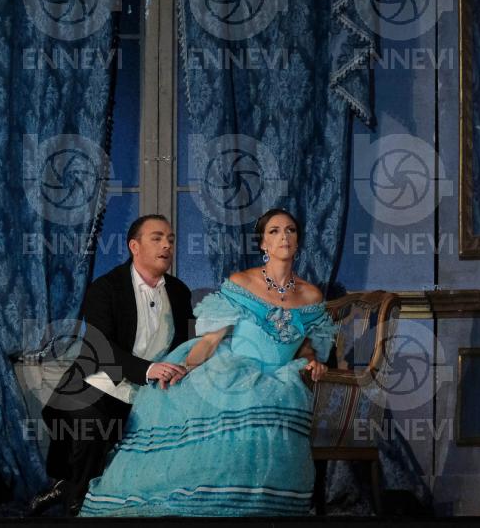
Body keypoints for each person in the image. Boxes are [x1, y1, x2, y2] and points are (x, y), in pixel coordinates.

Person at [78, 208, 336, 517]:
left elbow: (307, 345)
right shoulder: (242, 282)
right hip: (233, 370)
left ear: (298, 240)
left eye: (290, 230)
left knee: (276, 403)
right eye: (275, 231)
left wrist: (312, 361)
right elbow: (211, 340)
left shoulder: (312, 295)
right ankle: (205, 500)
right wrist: (186, 368)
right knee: (229, 406)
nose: (284, 237)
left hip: (281, 376)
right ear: (263, 244)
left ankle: (263, 503)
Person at [32, 214, 194, 516]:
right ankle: (78, 502)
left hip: (151, 391)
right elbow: (102, 346)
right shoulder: (105, 288)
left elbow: (185, 344)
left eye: (171, 240)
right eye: (157, 238)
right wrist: (147, 370)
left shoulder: (179, 292)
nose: (167, 245)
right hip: (98, 380)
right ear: (135, 246)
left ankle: (73, 490)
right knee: (91, 423)